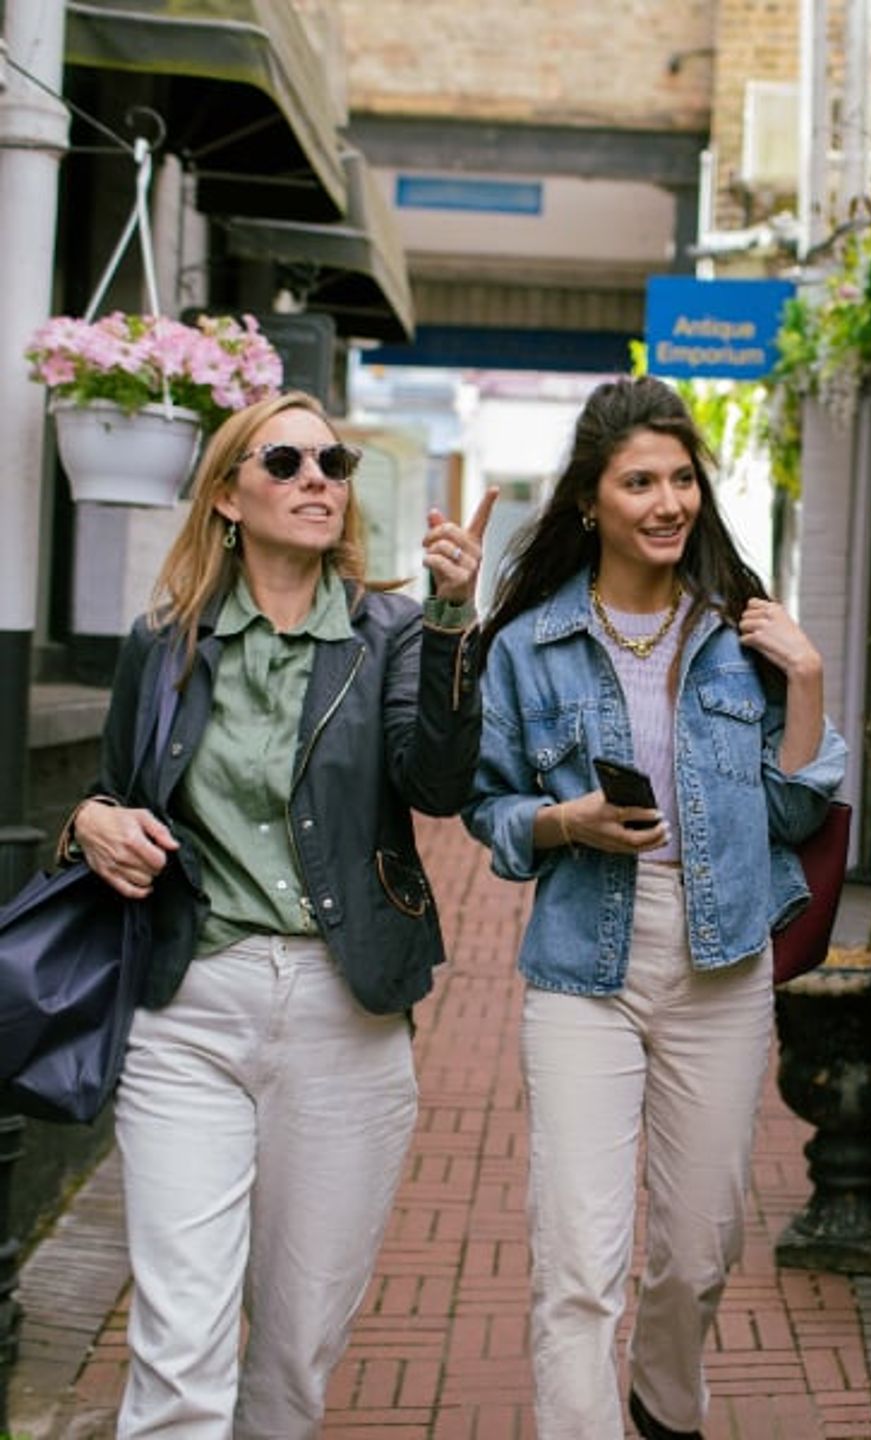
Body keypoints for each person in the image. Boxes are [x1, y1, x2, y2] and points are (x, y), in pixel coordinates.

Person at [60, 390, 497, 1438]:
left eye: (334, 462)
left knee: (295, 1358)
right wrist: (88, 819)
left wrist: (450, 622)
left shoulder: (389, 633)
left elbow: (436, 783)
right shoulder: (164, 640)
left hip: (343, 1013)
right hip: (190, 1010)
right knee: (179, 1348)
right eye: (287, 459)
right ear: (226, 496)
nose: (318, 479)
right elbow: (118, 793)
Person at [465, 375, 847, 1440]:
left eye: (682, 478)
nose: (669, 501)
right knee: (579, 1261)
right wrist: (563, 825)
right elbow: (487, 809)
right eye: (641, 481)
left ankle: (668, 1400)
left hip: (722, 959)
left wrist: (807, 681)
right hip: (585, 964)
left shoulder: (741, 632)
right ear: (592, 500)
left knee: (702, 1243)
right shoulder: (528, 647)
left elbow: (788, 804)